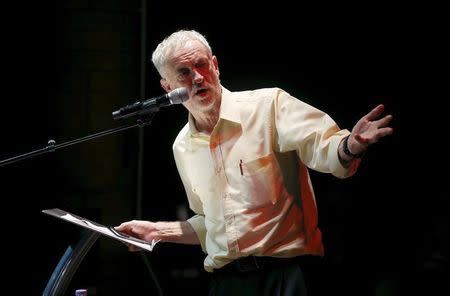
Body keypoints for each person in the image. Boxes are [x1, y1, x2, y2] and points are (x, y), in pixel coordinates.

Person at [115, 29, 393, 295]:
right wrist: (157, 231)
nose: (198, 78)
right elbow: (212, 224)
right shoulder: (183, 146)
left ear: (215, 65)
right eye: (184, 73)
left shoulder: (267, 106)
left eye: (202, 66)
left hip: (286, 275)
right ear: (168, 87)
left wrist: (350, 145)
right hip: (226, 284)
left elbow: (323, 147)